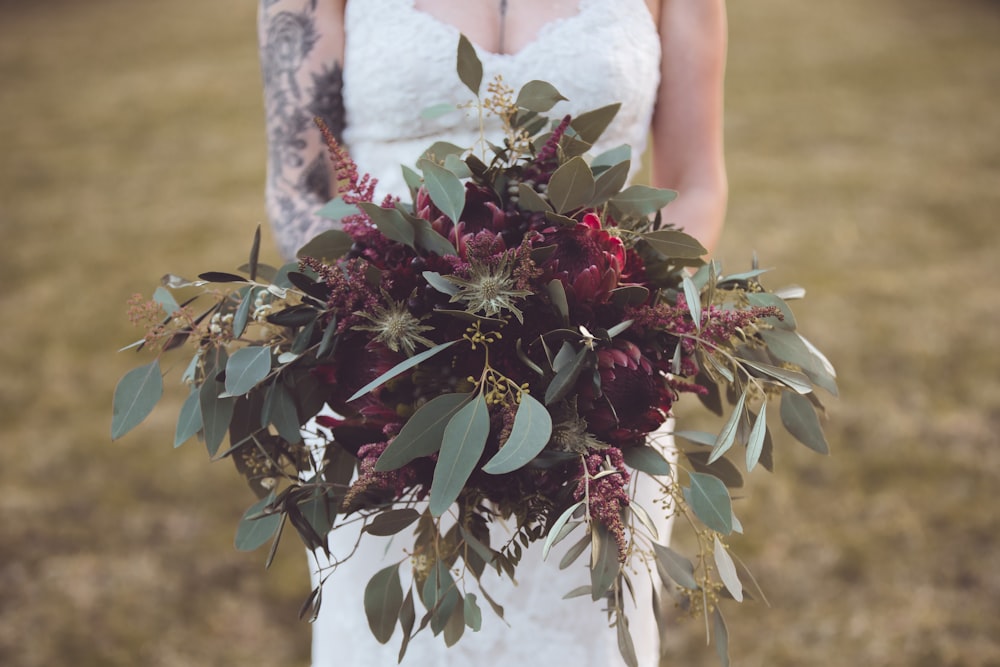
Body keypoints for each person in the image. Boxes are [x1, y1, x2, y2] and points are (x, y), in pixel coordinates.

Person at [257, 1, 727, 665]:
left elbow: (694, 183)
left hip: (592, 394)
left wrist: (619, 326)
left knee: (585, 635)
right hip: (385, 392)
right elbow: (299, 187)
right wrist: (398, 340)